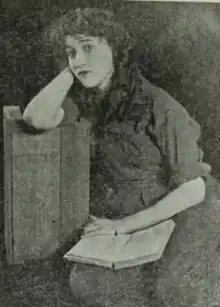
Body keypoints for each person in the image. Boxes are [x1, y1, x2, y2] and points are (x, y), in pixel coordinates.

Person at [22, 8, 220, 307]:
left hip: (185, 212)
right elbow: (35, 118)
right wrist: (74, 67)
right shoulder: (84, 101)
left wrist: (125, 225)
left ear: (114, 49)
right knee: (87, 284)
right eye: (70, 52)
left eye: (88, 47)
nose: (78, 59)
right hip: (129, 219)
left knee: (175, 291)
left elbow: (194, 189)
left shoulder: (158, 104)